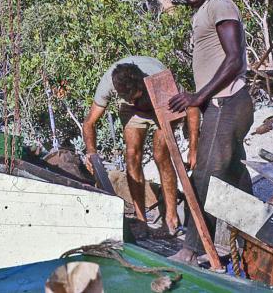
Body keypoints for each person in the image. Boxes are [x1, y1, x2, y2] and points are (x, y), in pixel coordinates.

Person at [167, 0, 253, 265]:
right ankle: (258, 238)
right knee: (232, 173)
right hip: (222, 104)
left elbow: (234, 59)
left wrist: (198, 96)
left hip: (227, 103)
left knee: (203, 174)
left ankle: (192, 249)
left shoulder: (220, 4)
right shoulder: (205, 9)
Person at [83, 56, 200, 234]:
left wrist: (193, 148)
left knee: (161, 154)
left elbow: (192, 106)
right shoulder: (108, 83)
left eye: (135, 97)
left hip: (160, 102)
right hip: (133, 112)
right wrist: (92, 154)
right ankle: (141, 219)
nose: (133, 101)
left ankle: (171, 218)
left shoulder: (159, 78)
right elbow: (89, 123)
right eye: (129, 99)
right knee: (132, 155)